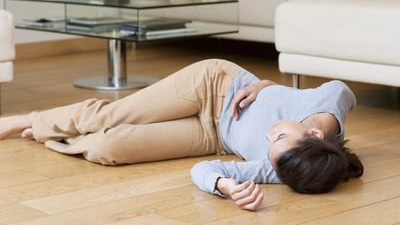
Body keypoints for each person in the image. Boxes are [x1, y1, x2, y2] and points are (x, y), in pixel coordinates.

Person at [0, 59, 363, 211]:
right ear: (314, 132)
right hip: (215, 86)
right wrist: (266, 84)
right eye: (280, 134)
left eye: (270, 147)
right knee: (110, 114)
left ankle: (49, 131)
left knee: (107, 147)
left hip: (215, 133)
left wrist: (224, 186)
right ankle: (24, 120)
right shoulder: (328, 104)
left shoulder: (286, 167)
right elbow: (341, 87)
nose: (269, 138)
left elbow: (206, 169)